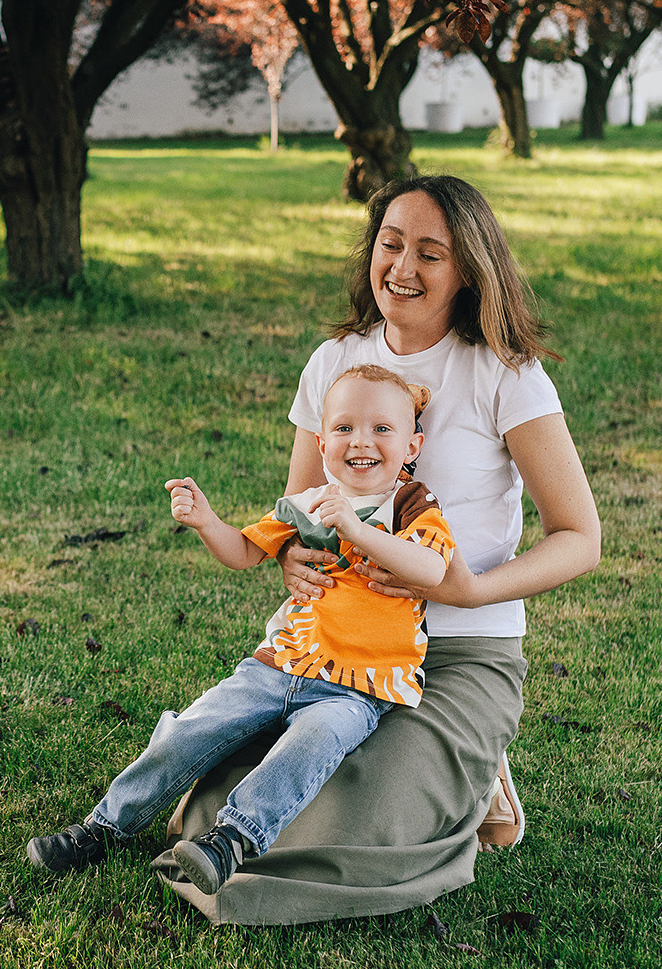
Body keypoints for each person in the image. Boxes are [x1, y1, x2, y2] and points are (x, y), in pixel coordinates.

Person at [152, 174, 600, 924]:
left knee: (358, 814)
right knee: (216, 797)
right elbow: (300, 506)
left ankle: (476, 771)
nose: (403, 267)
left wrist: (469, 589)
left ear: (468, 270)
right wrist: (292, 555)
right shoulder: (335, 360)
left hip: (457, 652)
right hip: (332, 647)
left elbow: (581, 538)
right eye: (391, 245)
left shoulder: (505, 374)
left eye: (431, 253)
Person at [25, 365, 456, 893]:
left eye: (381, 429)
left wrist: (354, 528)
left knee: (311, 745)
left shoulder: (412, 505)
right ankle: (103, 826)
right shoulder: (307, 503)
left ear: (412, 445)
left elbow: (430, 570)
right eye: (344, 428)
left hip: (357, 687)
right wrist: (208, 522)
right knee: (191, 730)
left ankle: (231, 839)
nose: (360, 441)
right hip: (278, 665)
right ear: (322, 444)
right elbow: (245, 551)